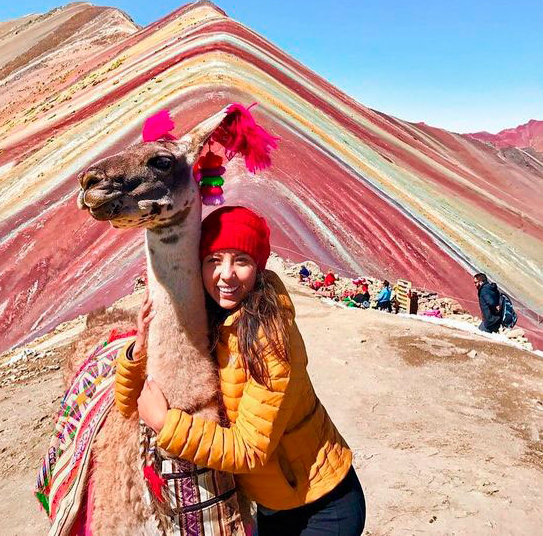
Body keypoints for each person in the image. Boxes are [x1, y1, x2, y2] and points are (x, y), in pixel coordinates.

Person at [115, 206, 366, 535]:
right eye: (214, 260)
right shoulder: (209, 319)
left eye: (241, 261)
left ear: (258, 267)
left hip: (322, 505)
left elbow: (250, 449)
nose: (226, 275)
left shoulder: (272, 340)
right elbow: (128, 406)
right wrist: (140, 350)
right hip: (271, 504)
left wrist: (165, 424)